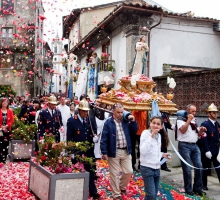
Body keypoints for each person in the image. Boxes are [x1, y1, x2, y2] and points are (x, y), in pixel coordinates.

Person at [100, 103, 138, 200]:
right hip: (114, 151)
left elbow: (135, 130)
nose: (120, 114)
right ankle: (116, 194)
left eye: (122, 112)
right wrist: (104, 152)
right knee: (114, 174)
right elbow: (104, 138)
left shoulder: (126, 121)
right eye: (118, 112)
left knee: (129, 171)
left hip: (126, 150)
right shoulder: (108, 122)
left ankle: (121, 186)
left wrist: (133, 121)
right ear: (113, 112)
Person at [67, 99, 100, 199]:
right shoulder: (72, 121)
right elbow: (69, 137)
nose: (86, 113)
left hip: (88, 151)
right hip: (77, 151)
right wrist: (70, 151)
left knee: (90, 171)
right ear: (79, 111)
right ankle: (75, 191)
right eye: (84, 111)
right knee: (77, 172)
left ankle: (93, 192)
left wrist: (95, 138)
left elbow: (93, 132)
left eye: (87, 111)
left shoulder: (89, 119)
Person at [176, 104, 207, 196]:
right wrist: (189, 120)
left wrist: (201, 131)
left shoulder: (194, 121)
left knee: (199, 166)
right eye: (192, 111)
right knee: (187, 169)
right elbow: (183, 130)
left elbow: (196, 135)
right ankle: (188, 188)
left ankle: (198, 188)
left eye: (195, 111)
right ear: (187, 111)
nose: (194, 113)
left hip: (194, 145)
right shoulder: (180, 119)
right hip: (184, 145)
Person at [140, 116, 171, 200]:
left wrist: (163, 154)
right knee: (151, 195)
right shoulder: (145, 133)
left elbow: (154, 151)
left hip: (156, 168)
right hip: (147, 167)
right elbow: (143, 151)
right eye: (153, 123)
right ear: (150, 123)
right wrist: (152, 136)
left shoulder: (159, 136)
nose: (155, 125)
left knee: (153, 193)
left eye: (158, 124)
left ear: (161, 126)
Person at [200, 103, 220, 190]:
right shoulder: (205, 124)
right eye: (213, 113)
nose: (215, 114)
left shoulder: (217, 124)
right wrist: (207, 150)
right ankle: (203, 185)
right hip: (207, 150)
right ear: (209, 114)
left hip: (215, 150)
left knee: (218, 167)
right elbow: (204, 138)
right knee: (205, 168)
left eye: (216, 112)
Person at [0, 98, 14, 163]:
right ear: (1, 103)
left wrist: (6, 126)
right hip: (0, 130)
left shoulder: (10, 111)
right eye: (3, 102)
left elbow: (12, 120)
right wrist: (1, 127)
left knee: (6, 144)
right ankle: (0, 158)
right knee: (0, 144)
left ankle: (4, 158)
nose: (5, 103)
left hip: (7, 130)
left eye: (6, 102)